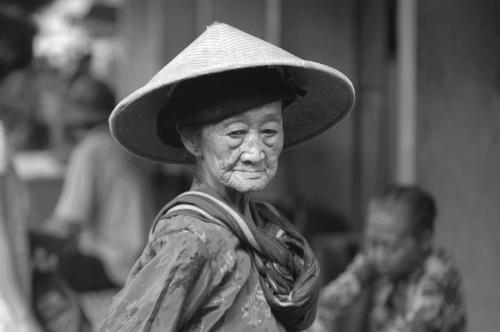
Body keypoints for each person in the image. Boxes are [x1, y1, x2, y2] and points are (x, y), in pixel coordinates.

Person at [100, 22, 355, 332]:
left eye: (270, 132)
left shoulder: (263, 225)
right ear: (193, 141)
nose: (256, 153)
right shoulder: (190, 240)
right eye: (236, 133)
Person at [43, 74, 156, 291]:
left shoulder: (90, 149)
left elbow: (68, 223)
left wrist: (28, 239)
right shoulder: (124, 143)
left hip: (114, 264)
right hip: (142, 258)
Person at [310, 185, 467, 332]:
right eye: (373, 242)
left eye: (389, 246)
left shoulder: (440, 274)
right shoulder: (374, 261)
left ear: (424, 240)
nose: (378, 255)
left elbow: (412, 327)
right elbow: (329, 301)